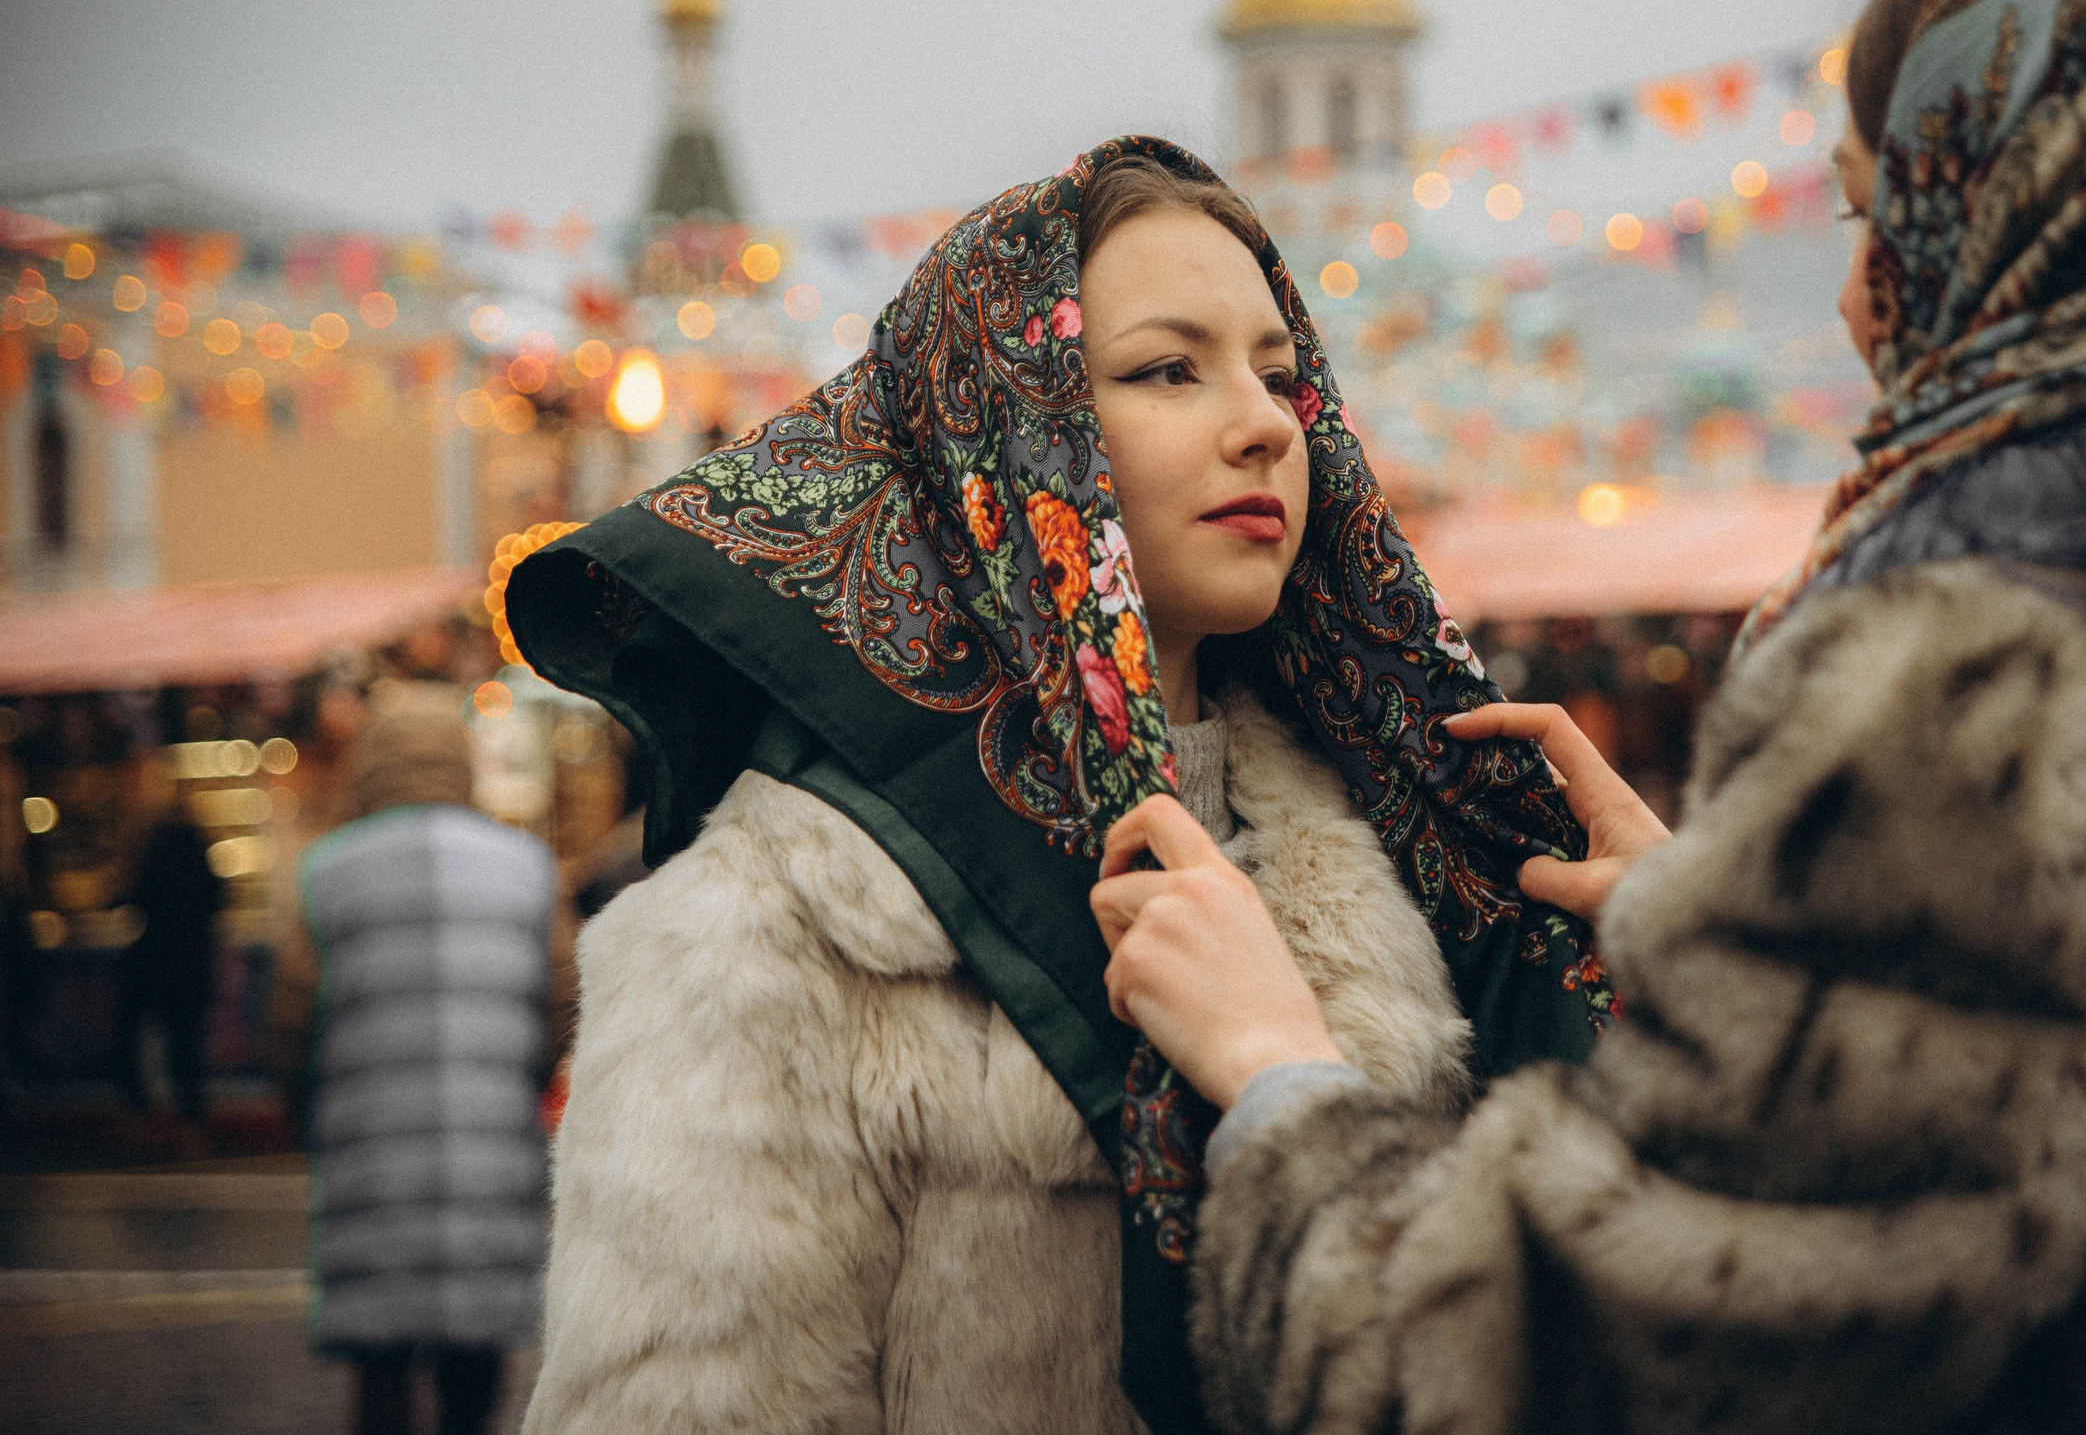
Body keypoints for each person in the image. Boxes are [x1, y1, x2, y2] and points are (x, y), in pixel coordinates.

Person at [1094, 0, 2086, 1432]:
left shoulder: (1988, 679)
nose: (1859, 299)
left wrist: (1286, 1082)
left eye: (1878, 209)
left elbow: (1558, 1371)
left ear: (2022, 208)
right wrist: (1743, 916)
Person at [504, 139, 1612, 1435]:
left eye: (1280, 371)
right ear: (1009, 429)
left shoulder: (1424, 855)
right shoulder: (781, 914)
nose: (1265, 422)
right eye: (1166, 369)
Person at [268, 682, 569, 1435]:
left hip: (371, 1152)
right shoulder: (526, 866)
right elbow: (566, 1002)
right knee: (477, 1354)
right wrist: (517, 1083)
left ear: (370, 762)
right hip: (491, 1148)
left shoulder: (326, 869)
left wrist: (309, 1113)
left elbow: (289, 1018)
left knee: (380, 1359)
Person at [113, 792, 223, 1127]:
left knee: (132, 1034)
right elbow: (217, 899)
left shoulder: (155, 846)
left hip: (155, 959)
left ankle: (141, 1106)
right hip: (193, 960)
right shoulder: (198, 849)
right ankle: (190, 1113)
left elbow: (135, 897)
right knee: (185, 1042)